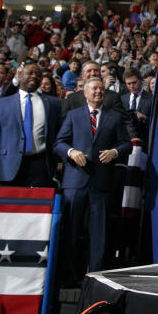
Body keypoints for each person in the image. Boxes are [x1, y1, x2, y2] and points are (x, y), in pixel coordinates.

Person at [55, 77, 133, 274]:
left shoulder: (114, 117)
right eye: (94, 89)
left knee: (100, 231)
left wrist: (114, 152)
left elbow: (126, 144)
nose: (98, 92)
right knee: (71, 229)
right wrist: (72, 152)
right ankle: (71, 273)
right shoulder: (73, 115)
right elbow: (59, 143)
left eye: (101, 89)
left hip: (101, 181)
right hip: (75, 181)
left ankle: (96, 273)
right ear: (85, 92)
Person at [0, 62, 62, 190]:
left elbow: (58, 135)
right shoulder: (2, 104)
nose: (34, 76)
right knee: (5, 207)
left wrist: (59, 160)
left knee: (35, 207)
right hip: (6, 166)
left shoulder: (53, 103)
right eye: (29, 73)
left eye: (38, 74)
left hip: (40, 166)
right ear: (20, 75)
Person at [121, 67, 153, 140]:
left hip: (145, 141)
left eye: (134, 82)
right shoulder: (122, 99)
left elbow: (156, 122)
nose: (132, 86)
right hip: (127, 141)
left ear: (141, 81)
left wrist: (145, 117)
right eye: (128, 84)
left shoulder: (151, 98)